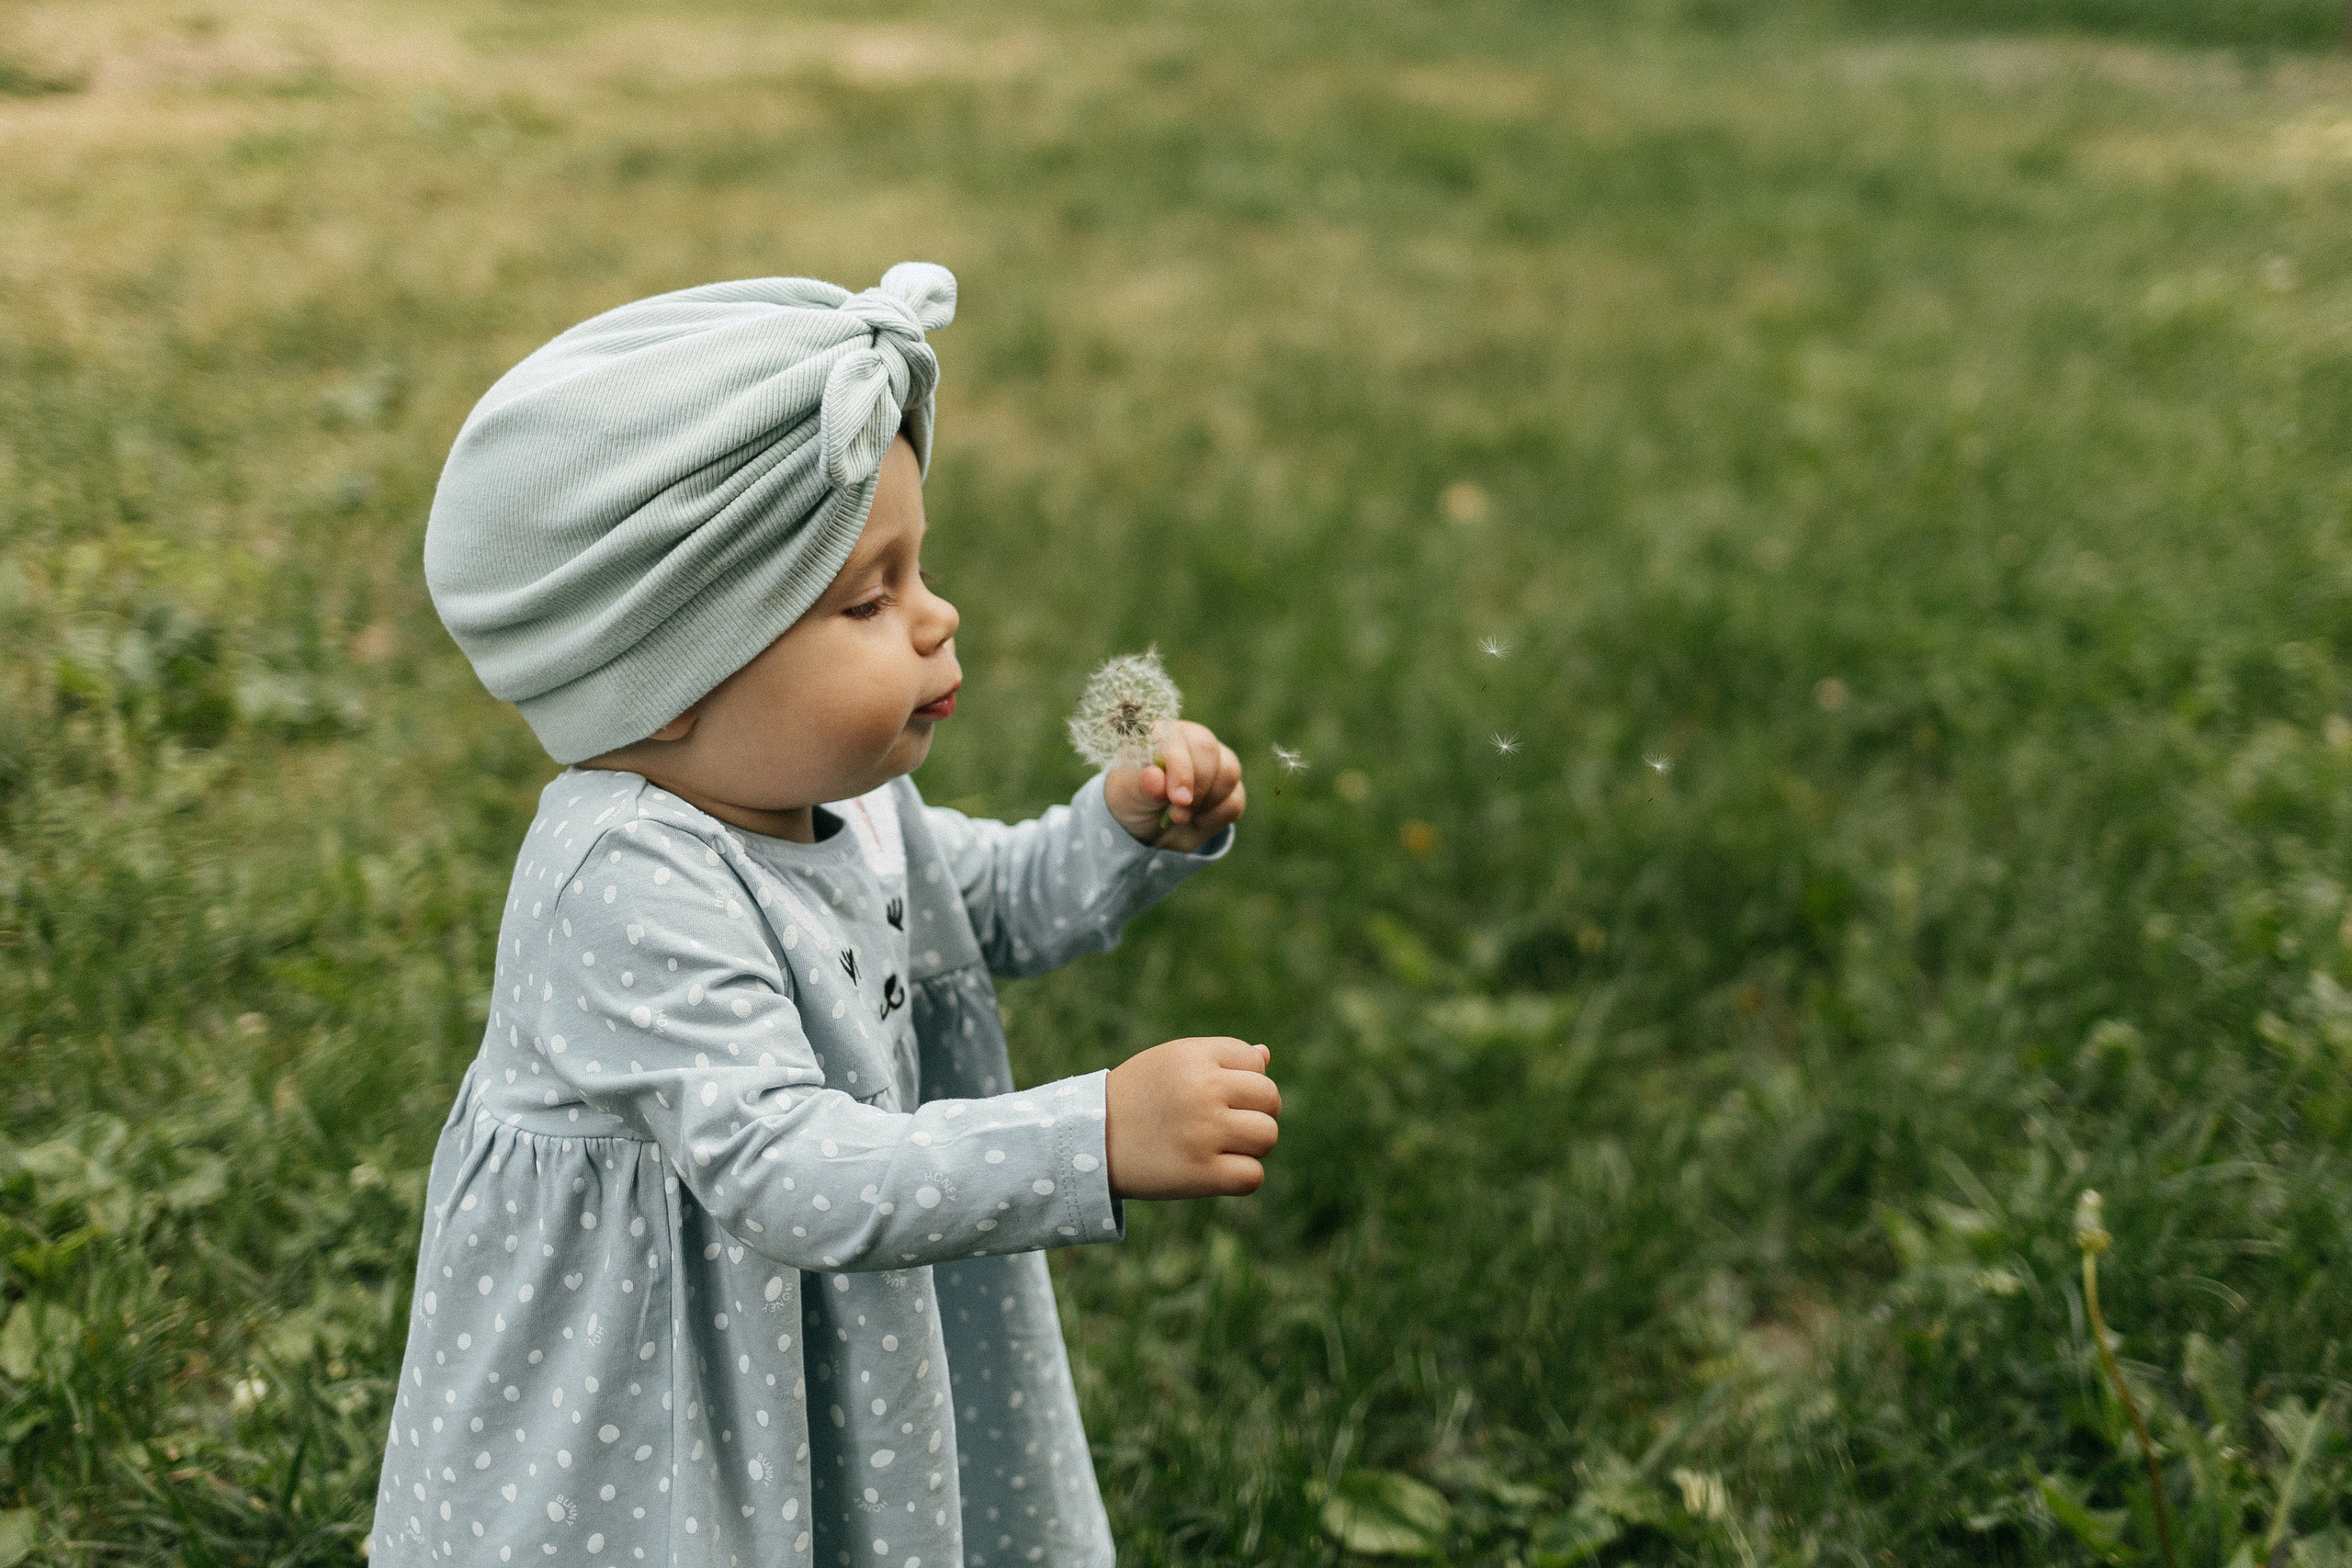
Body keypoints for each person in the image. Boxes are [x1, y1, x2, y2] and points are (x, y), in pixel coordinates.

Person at [373, 262, 1278, 1566]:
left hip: (813, 1327)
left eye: (917, 571)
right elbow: (788, 1173)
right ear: (667, 684)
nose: (937, 616)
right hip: (666, 1375)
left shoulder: (839, 802)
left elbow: (988, 912)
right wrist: (1088, 1135)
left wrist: (1122, 833)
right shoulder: (625, 884)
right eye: (870, 599)